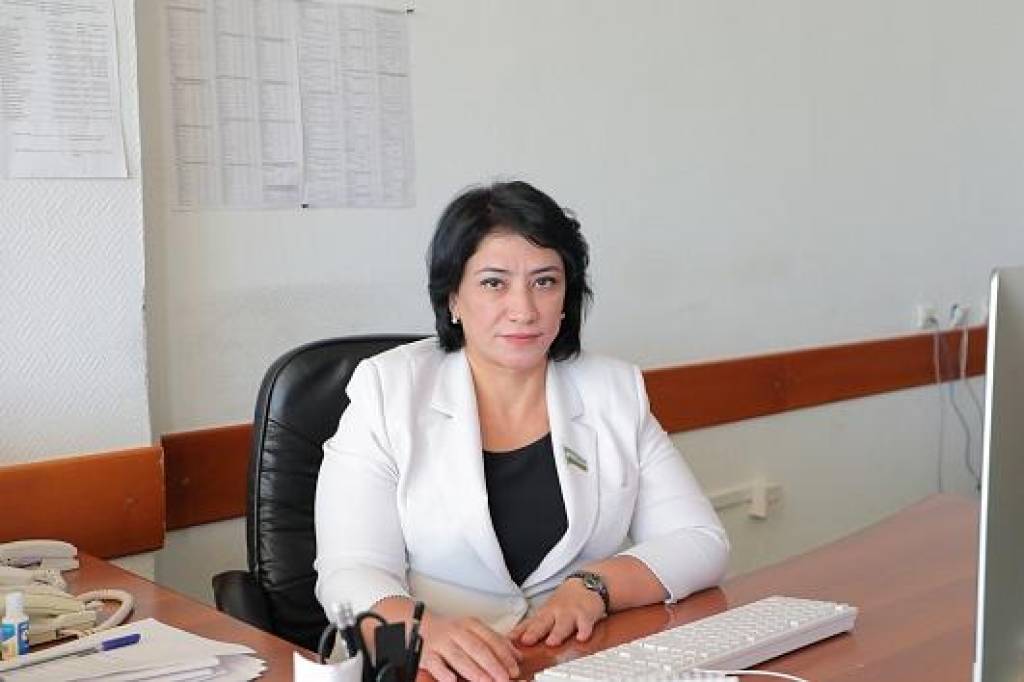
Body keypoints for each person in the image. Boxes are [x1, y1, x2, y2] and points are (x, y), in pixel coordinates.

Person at [314, 180, 728, 682]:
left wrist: (594, 586)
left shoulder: (614, 391)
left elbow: (700, 541)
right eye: (494, 283)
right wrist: (420, 629)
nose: (524, 309)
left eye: (545, 281)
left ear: (567, 296)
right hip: (427, 670)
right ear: (453, 298)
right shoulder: (389, 391)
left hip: (568, 664)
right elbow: (348, 570)